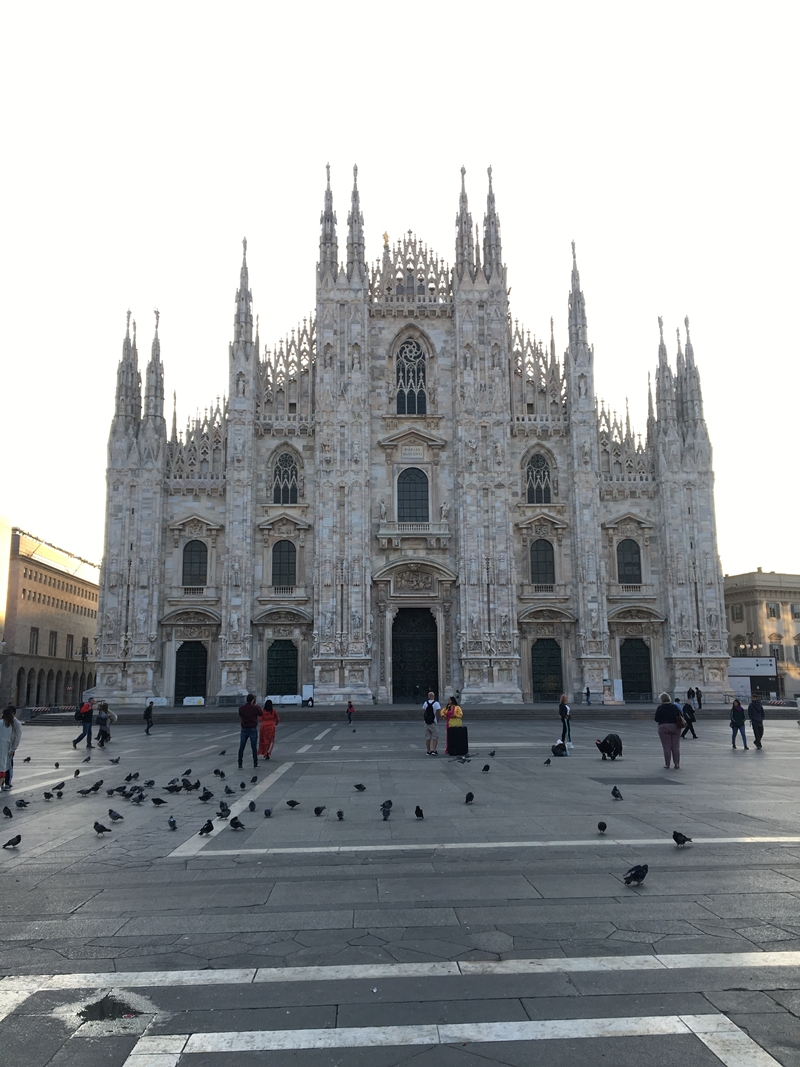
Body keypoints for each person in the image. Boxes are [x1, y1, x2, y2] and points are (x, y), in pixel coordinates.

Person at [655, 692, 683, 769]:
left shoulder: (660, 708)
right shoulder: (674, 707)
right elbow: (680, 715)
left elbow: (656, 719)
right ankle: (677, 763)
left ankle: (667, 764)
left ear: (661, 699)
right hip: (675, 726)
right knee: (676, 746)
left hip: (663, 727)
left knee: (666, 747)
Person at [238, 694, 262, 768]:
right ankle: (255, 763)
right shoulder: (254, 708)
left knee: (242, 747)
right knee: (253, 747)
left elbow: (240, 714)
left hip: (244, 729)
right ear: (253, 700)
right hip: (252, 728)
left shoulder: (241, 708)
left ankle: (240, 763)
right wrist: (256, 705)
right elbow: (261, 713)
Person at [1, 707, 22, 790]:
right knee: (2, 765)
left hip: (10, 748)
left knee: (8, 765)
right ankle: (2, 782)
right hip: (3, 747)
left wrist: (13, 748)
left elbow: (17, 736)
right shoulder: (6, 722)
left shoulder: (16, 723)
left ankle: (7, 783)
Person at [422, 691, 440, 756]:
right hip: (433, 722)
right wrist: (437, 720)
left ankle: (428, 750)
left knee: (428, 737)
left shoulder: (425, 703)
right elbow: (438, 712)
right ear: (433, 696)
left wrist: (426, 719)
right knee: (435, 736)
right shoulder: (436, 703)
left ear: (428, 697)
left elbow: (424, 712)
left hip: (426, 723)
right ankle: (434, 750)